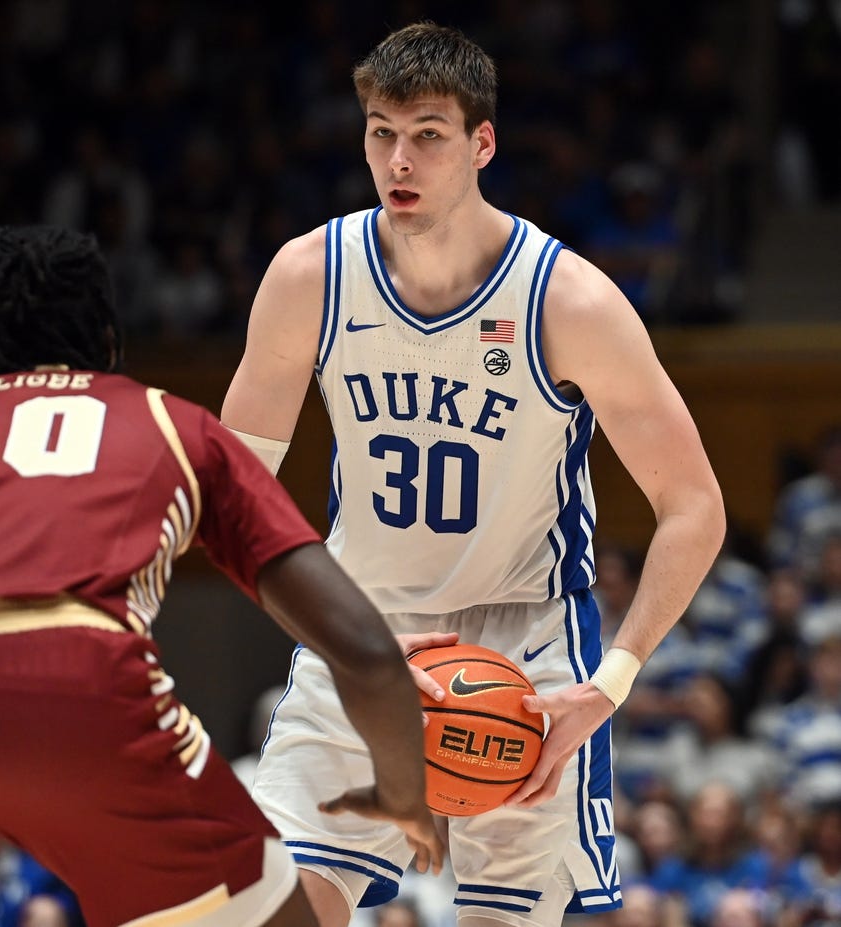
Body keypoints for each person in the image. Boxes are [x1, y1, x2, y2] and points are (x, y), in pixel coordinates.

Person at [0, 225, 444, 927]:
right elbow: (365, 648)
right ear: (106, 342)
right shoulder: (170, 423)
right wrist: (402, 792)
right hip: (81, 690)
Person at [220, 21, 725, 927]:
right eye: (380, 132)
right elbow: (229, 504)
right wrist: (334, 634)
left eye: (427, 134)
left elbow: (693, 507)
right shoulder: (310, 277)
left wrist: (607, 683)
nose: (398, 159)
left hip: (522, 648)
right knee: (269, 914)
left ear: (481, 142)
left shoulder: (567, 300)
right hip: (363, 627)